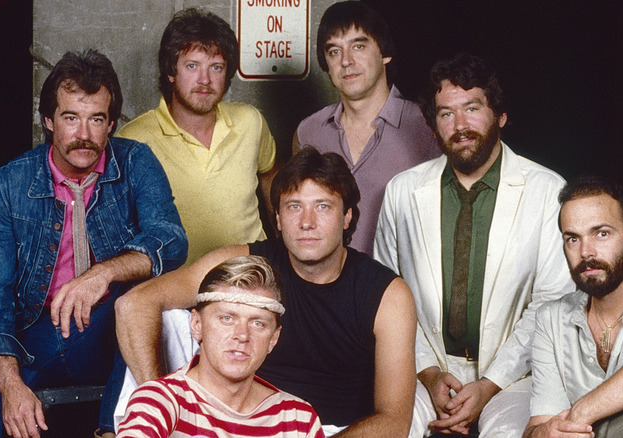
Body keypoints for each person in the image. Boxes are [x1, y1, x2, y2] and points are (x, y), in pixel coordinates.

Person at [0, 50, 187, 438]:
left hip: (110, 330)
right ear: (48, 121)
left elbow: (171, 239)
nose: (84, 135)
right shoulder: (10, 183)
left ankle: (113, 431)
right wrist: (9, 383)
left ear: (110, 124)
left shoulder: (136, 161)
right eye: (71, 118)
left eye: (97, 119)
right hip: (34, 332)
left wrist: (102, 274)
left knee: (137, 298)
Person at [116, 147, 421, 437]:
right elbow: (135, 303)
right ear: (277, 219)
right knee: (168, 319)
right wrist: (163, 406)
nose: (306, 222)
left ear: (347, 217)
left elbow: (394, 421)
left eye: (323, 206)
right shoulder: (246, 264)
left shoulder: (387, 294)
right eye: (294, 206)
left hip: (335, 432)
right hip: (237, 423)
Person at [374, 53, 572, 436]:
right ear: (433, 127)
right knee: (394, 430)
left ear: (500, 115)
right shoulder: (402, 191)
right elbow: (384, 294)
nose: (460, 125)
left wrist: (490, 384)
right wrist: (429, 374)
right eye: (446, 114)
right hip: (422, 367)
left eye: (472, 108)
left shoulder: (549, 191)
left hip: (517, 374)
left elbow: (552, 304)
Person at [524, 176, 623, 438]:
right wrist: (545, 433)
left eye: (601, 233)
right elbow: (537, 424)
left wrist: (583, 412)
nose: (586, 252)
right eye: (573, 239)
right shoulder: (551, 318)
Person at [117, 7, 277, 266]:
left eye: (216, 67)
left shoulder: (251, 121)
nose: (205, 80)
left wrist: (281, 241)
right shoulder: (133, 139)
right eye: (192, 66)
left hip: (252, 277)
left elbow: (271, 175)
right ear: (171, 72)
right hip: (173, 287)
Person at [116, 255, 325, 437]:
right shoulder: (160, 402)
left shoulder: (298, 420)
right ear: (197, 324)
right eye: (227, 318)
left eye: (258, 323)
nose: (242, 335)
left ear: (273, 338)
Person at [293, 1, 439, 255]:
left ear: (385, 53)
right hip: (325, 287)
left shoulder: (428, 128)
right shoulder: (308, 132)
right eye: (334, 51)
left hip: (402, 288)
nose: (346, 61)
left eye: (358, 46)